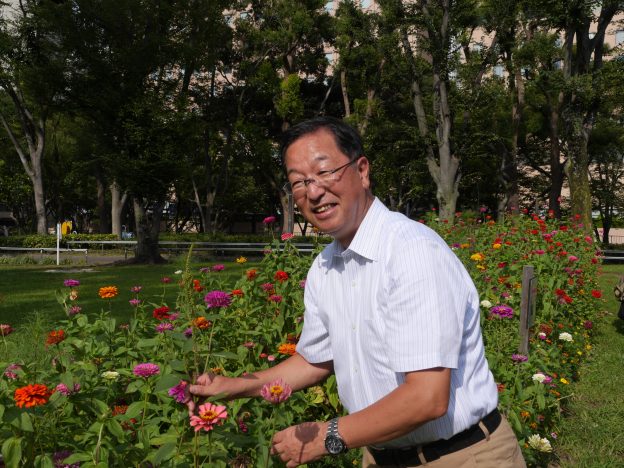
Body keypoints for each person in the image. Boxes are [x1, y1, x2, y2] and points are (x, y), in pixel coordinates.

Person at [186, 117, 526, 467]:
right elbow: (314, 360)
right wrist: (235, 385)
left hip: (461, 456)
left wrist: (328, 436)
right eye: (299, 182)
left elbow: (428, 397)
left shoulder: (412, 252)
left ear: (362, 171)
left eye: (325, 172)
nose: (313, 191)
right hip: (380, 454)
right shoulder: (325, 266)